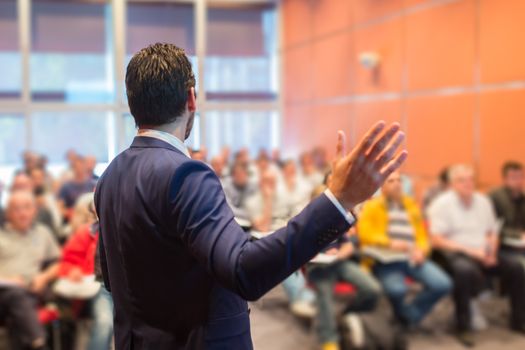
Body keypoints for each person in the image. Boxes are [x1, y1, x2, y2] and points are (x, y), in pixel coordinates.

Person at [95, 43, 407, 349]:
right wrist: (339, 200)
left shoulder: (110, 177)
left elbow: (116, 275)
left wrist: (280, 249)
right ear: (191, 98)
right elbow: (244, 272)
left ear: (132, 102)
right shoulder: (187, 175)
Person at [428, 165, 524, 346]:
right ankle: (463, 325)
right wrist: (472, 252)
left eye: (471, 179)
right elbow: (437, 240)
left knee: (516, 267)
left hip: (483, 252)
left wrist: (492, 252)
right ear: (452, 183)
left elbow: (492, 231)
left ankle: (518, 320)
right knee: (464, 271)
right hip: (456, 253)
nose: (468, 183)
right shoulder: (441, 204)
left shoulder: (483, 201)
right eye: (462, 180)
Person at [358, 171, 451, 330]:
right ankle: (406, 319)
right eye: (391, 181)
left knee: (443, 284)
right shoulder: (372, 206)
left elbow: (422, 235)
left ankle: (407, 316)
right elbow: (364, 233)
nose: (397, 184)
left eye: (399, 180)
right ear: (382, 186)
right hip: (385, 259)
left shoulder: (410, 204)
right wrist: (389, 243)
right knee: (397, 290)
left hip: (412, 257)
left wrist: (421, 251)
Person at [308, 185, 380, 350]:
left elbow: (348, 246)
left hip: (339, 263)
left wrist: (339, 253)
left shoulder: (337, 220)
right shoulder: (306, 223)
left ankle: (347, 312)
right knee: (325, 296)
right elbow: (299, 251)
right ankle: (329, 340)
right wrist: (319, 252)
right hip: (318, 267)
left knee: (372, 289)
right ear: (312, 203)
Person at [0, 190, 61, 350]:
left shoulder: (43, 233)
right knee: (16, 296)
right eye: (16, 209)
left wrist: (44, 277)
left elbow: (58, 263)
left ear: (34, 210)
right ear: (8, 213)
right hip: (3, 292)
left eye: (27, 207)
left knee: (19, 307)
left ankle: (36, 342)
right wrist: (9, 281)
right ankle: (39, 343)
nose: (22, 213)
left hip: (32, 291)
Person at [58, 194, 114, 350]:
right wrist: (74, 270)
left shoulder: (128, 228)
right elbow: (66, 263)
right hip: (99, 286)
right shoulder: (86, 232)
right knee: (105, 323)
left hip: (127, 288)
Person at [489, 161, 525, 332]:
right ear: (505, 179)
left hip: (521, 246)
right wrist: (516, 235)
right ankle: (518, 319)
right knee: (519, 268)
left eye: (520, 177)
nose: (517, 181)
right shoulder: (495, 196)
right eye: (513, 177)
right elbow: (492, 227)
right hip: (501, 246)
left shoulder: (523, 198)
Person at [58, 156, 97, 222]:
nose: (79, 169)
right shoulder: (66, 187)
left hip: (91, 219)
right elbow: (60, 208)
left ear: (85, 167)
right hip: (73, 221)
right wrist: (71, 213)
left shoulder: (93, 185)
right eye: (76, 167)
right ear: (73, 168)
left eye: (81, 166)